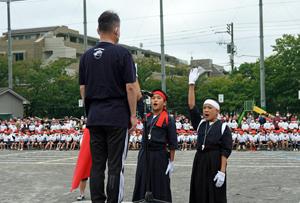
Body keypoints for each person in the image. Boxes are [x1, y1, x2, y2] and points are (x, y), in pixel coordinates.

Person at [78, 10, 137, 203]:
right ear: (116, 30)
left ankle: (98, 201)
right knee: (115, 165)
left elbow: (83, 89)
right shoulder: (123, 53)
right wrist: (133, 115)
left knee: (97, 165)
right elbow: (130, 87)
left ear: (97, 30)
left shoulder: (85, 57)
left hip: (95, 118)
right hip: (117, 117)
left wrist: (91, 112)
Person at [188, 68, 232, 203]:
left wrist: (222, 171)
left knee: (214, 193)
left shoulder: (223, 127)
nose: (206, 110)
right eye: (204, 108)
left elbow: (225, 151)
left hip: (215, 162)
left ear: (217, 111)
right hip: (200, 160)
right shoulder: (200, 123)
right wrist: (191, 84)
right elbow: (191, 105)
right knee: (199, 190)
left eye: (209, 108)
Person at [132, 76, 177, 203]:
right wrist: (135, 77)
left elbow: (172, 144)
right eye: (153, 98)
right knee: (142, 182)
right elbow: (139, 99)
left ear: (165, 102)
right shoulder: (147, 116)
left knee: (159, 185)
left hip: (160, 155)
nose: (155, 100)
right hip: (144, 154)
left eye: (158, 98)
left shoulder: (169, 119)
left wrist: (171, 163)